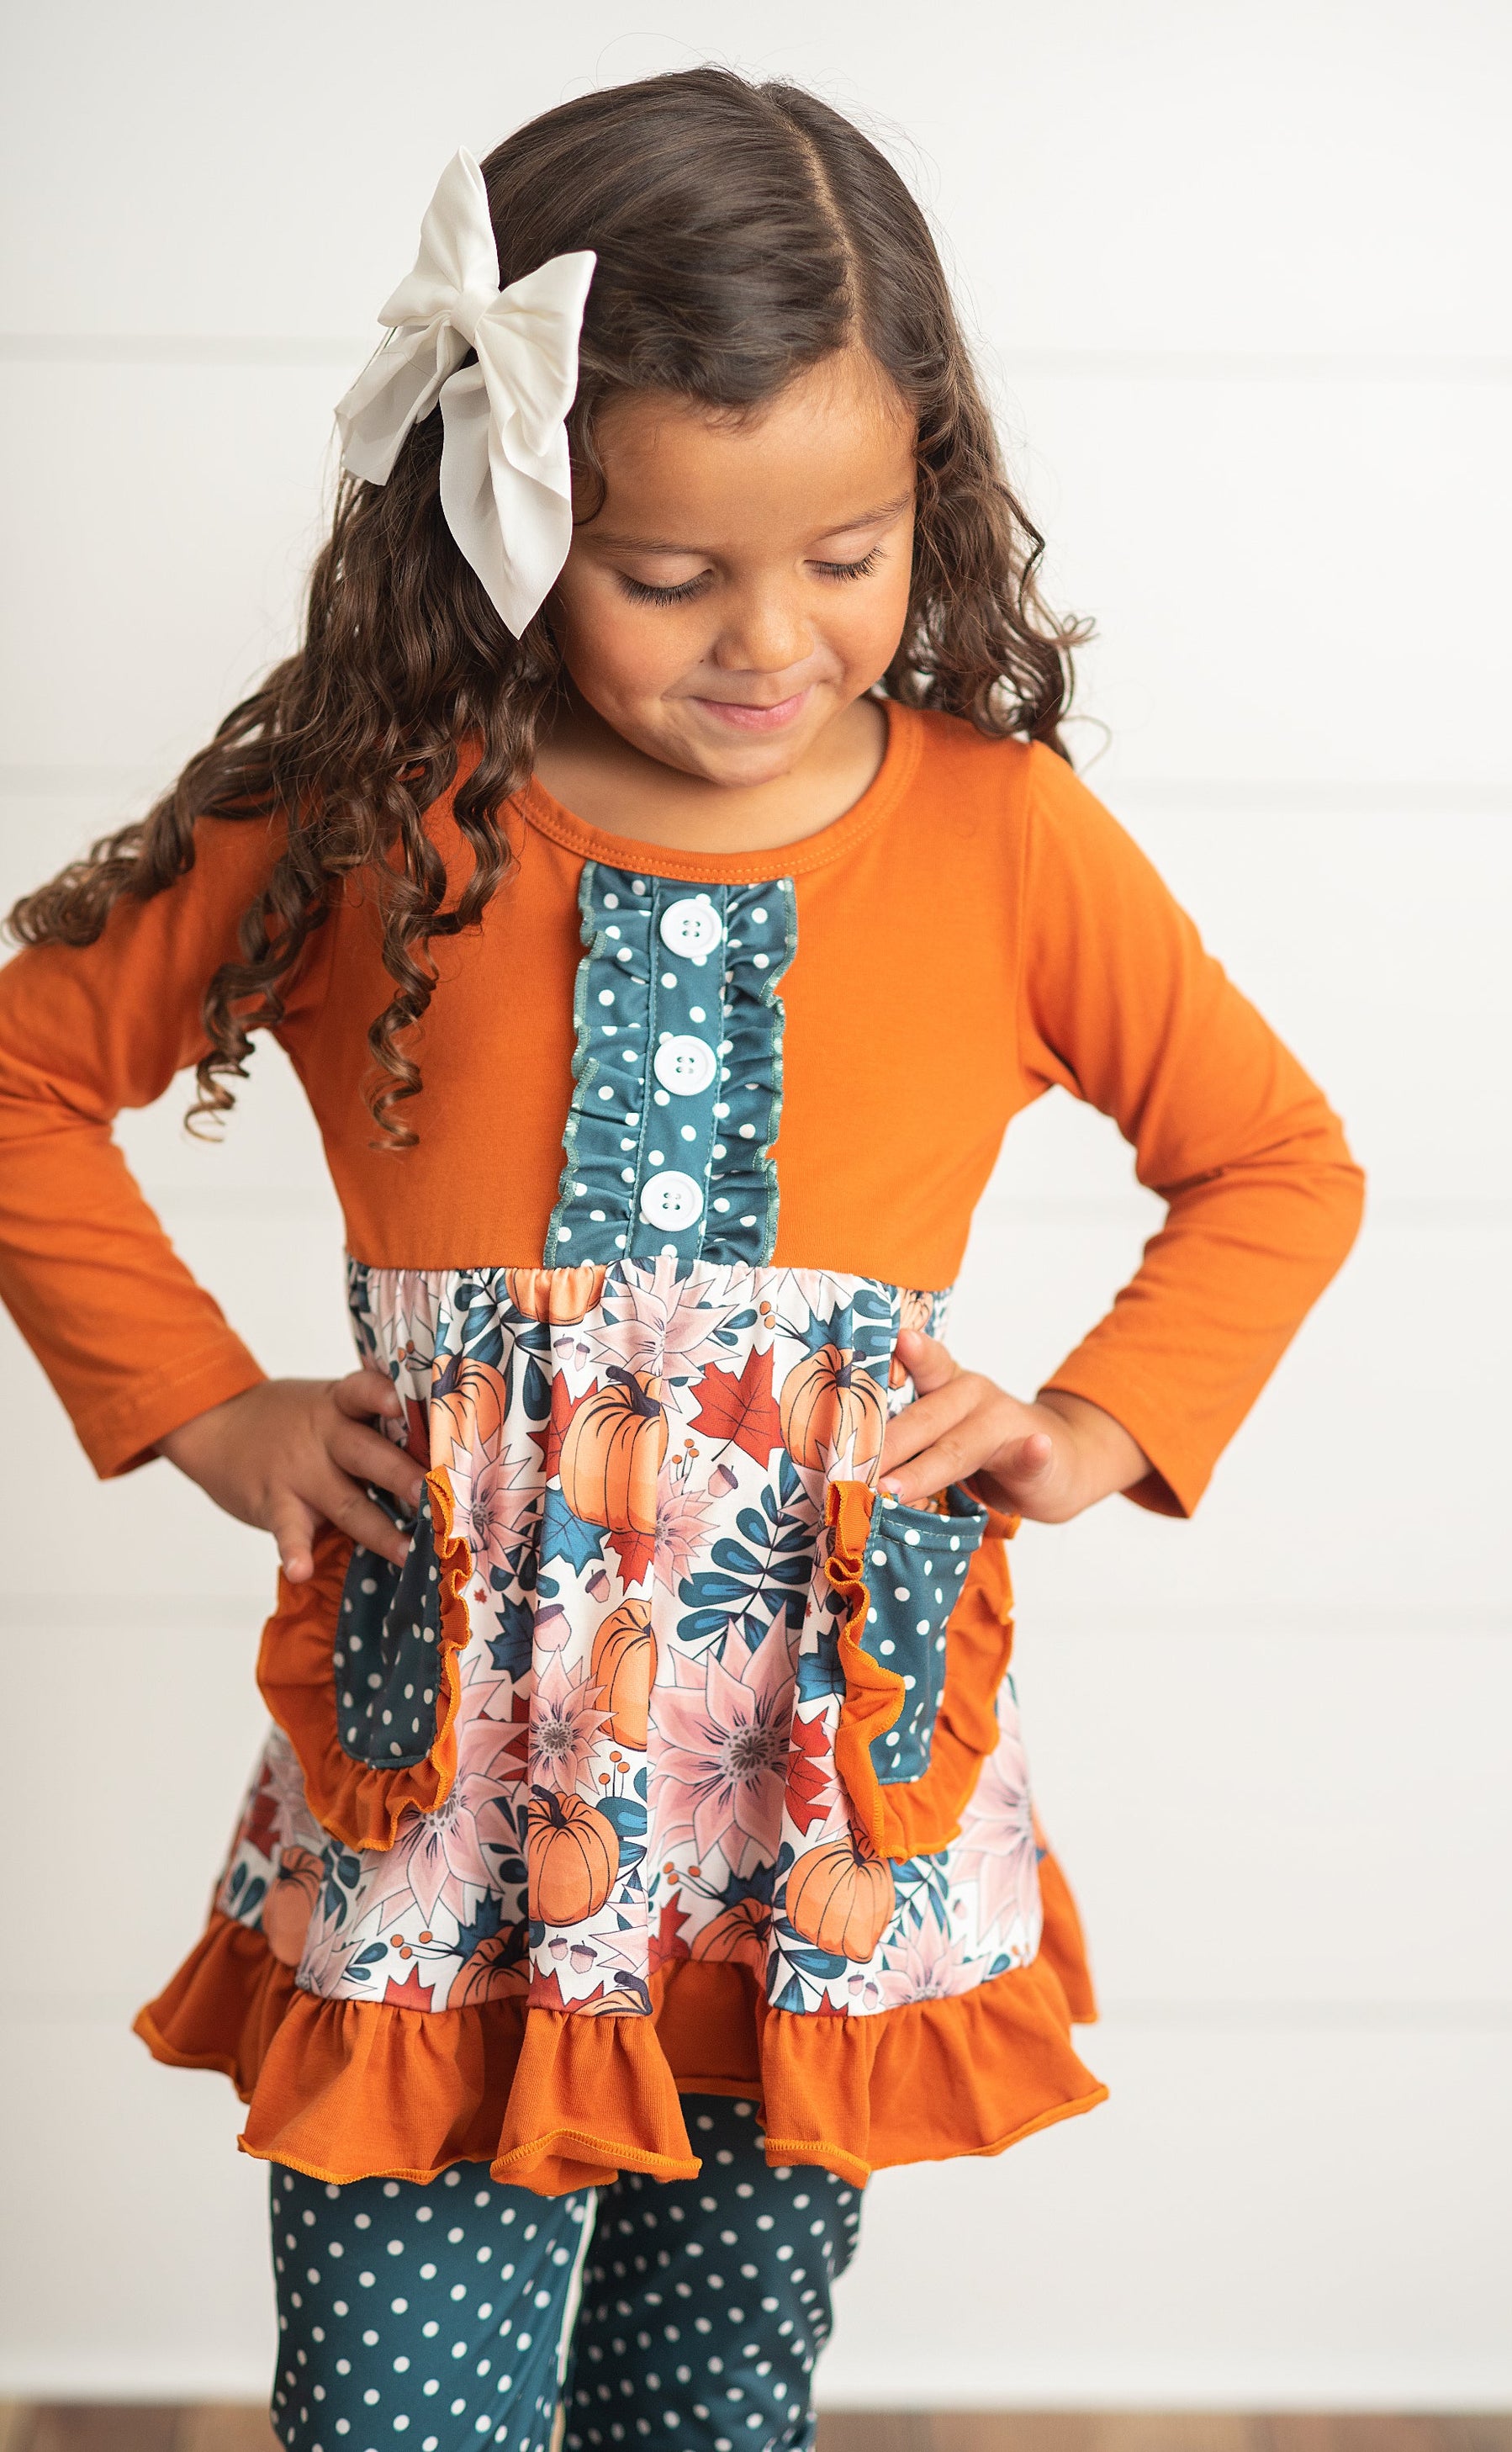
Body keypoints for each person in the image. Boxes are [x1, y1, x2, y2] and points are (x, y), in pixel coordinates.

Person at [0, 67, 1364, 2452]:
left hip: (804, 1807)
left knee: (714, 2391)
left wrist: (1094, 1422)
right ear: (510, 510)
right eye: (664, 576)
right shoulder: (365, 810)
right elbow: (23, 1069)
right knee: (392, 2403)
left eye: (846, 555)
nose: (770, 640)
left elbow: (1273, 1158)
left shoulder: (1005, 837)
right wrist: (200, 1406)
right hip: (448, 1799)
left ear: (931, 494)